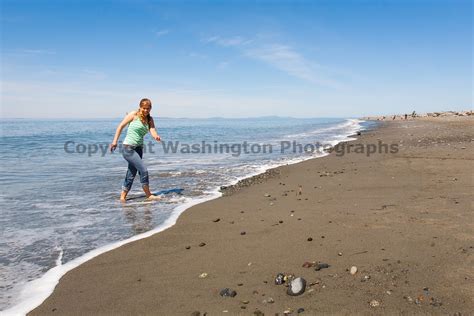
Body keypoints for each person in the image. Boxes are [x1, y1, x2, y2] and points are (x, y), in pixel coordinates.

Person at [110, 98, 162, 202]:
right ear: (140, 107)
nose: (146, 110)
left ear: (150, 109)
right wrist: (115, 141)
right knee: (143, 170)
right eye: (144, 108)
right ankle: (148, 195)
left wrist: (156, 136)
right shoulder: (133, 115)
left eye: (148, 108)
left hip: (139, 149)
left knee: (131, 173)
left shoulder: (150, 119)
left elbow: (152, 129)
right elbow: (121, 126)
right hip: (128, 148)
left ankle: (122, 197)